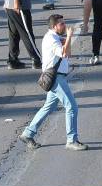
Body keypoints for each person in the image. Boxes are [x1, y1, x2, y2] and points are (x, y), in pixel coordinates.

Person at [20, 13, 87, 151]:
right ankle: (71, 140)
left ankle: (28, 133)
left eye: (64, 22)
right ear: (54, 26)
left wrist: (66, 39)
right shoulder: (51, 39)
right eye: (61, 23)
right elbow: (63, 53)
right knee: (72, 107)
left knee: (48, 106)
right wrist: (68, 37)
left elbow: (67, 53)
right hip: (56, 78)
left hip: (57, 76)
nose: (64, 25)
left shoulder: (55, 37)